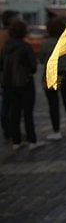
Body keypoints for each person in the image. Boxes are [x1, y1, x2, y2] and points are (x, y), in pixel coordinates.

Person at [0, 20, 44, 150]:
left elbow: (1, 65)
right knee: (28, 113)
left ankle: (16, 141)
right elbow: (33, 67)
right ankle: (32, 141)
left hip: (9, 84)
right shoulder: (25, 47)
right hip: (25, 83)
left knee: (14, 112)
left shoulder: (6, 47)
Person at [38, 17, 66, 141]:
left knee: (53, 103)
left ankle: (56, 130)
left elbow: (42, 59)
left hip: (52, 74)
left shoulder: (46, 43)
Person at [0, 10, 20, 141]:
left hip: (4, 76)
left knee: (6, 104)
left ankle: (8, 131)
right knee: (14, 105)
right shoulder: (10, 37)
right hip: (13, 76)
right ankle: (14, 132)